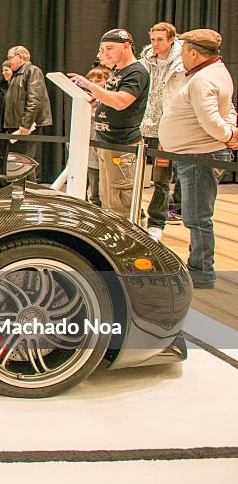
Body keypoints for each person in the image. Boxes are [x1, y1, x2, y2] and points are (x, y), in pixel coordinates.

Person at [158, 29, 238, 289]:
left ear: (194, 52)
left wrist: (228, 135)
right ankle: (199, 269)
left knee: (197, 217)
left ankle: (201, 273)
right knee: (196, 215)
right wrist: (231, 133)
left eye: (182, 50)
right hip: (196, 154)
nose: (180, 56)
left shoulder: (204, 79)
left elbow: (211, 119)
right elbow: (229, 110)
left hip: (199, 156)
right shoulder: (215, 72)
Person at [68, 29, 149, 219]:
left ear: (127, 47)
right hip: (108, 142)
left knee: (120, 199)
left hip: (122, 144)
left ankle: (129, 241)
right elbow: (110, 100)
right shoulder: (118, 71)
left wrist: (90, 86)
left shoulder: (136, 71)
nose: (105, 53)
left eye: (109, 48)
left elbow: (121, 101)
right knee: (108, 199)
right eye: (103, 49)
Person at [139, 23, 184, 240]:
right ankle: (135, 215)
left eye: (160, 40)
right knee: (133, 175)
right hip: (141, 125)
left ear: (171, 39)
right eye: (153, 39)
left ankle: (157, 222)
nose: (155, 44)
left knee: (161, 178)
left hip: (165, 128)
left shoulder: (181, 64)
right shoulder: (145, 60)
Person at [2, 46, 53, 178]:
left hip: (24, 126)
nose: (8, 61)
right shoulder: (17, 74)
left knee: (23, 162)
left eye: (10, 58)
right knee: (16, 162)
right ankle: (19, 193)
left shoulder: (32, 71)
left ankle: (28, 193)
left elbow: (34, 99)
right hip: (14, 125)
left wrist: (26, 124)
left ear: (20, 57)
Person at [84, 66, 113, 206]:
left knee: (99, 192)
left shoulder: (110, 102)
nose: (93, 83)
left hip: (101, 150)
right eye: (91, 80)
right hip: (85, 150)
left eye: (98, 80)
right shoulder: (83, 100)